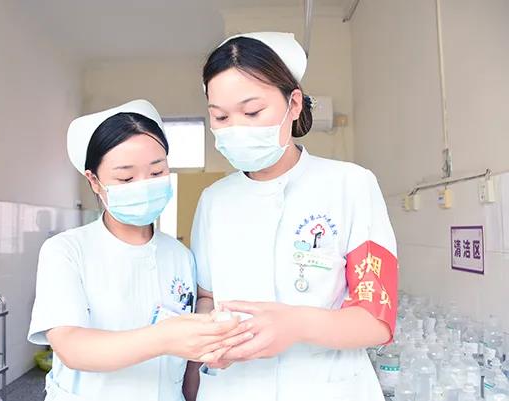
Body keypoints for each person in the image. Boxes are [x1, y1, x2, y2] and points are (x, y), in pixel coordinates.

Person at [188, 32, 398, 401]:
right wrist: (210, 337)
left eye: (252, 112)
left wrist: (296, 324)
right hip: (234, 388)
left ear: (294, 104)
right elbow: (207, 296)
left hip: (328, 389)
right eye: (220, 116)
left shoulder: (350, 184)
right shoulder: (213, 201)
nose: (235, 128)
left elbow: (376, 319)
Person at [27, 99, 252, 401]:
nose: (144, 185)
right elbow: (71, 347)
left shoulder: (179, 256)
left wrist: (209, 333)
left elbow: (189, 361)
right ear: (94, 181)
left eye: (157, 172)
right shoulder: (66, 251)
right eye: (126, 178)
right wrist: (164, 338)